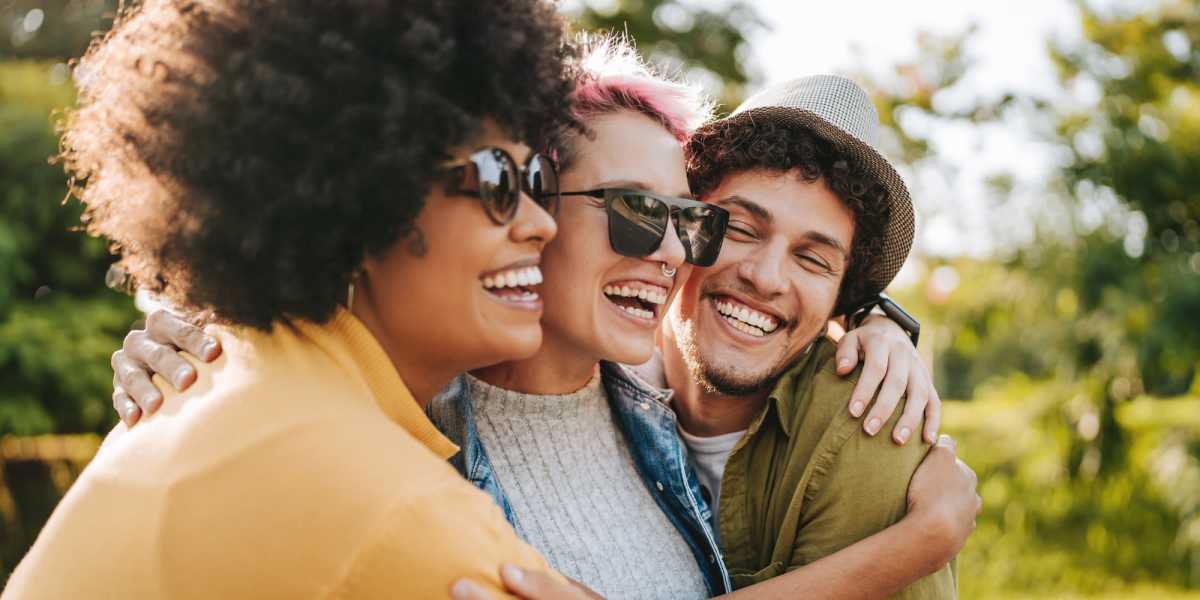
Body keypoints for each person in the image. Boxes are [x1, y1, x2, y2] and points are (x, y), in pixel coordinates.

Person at [106, 39, 978, 599]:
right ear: (527, 205)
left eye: (685, 221)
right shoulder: (411, 420)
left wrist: (886, 330)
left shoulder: (826, 418)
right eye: (727, 226)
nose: (677, 251)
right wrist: (208, 323)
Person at [2, 0, 584, 597]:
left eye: (536, 181)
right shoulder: (402, 513)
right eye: (498, 183)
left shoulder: (211, 384)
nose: (542, 223)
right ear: (365, 195)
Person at [658, 74, 977, 597]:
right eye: (739, 228)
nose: (766, 277)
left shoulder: (869, 422)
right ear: (687, 217)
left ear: (841, 300)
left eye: (812, 259)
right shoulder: (590, 366)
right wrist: (925, 537)